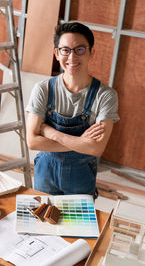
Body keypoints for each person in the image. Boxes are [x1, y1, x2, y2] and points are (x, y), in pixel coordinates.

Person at [25, 22, 120, 196]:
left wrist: (51, 133)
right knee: (43, 218)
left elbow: (96, 149)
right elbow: (32, 142)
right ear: (56, 53)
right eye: (65, 50)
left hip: (81, 175)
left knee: (77, 222)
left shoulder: (105, 95)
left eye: (80, 50)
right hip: (46, 172)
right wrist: (81, 143)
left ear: (91, 52)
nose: (72, 57)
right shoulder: (43, 89)